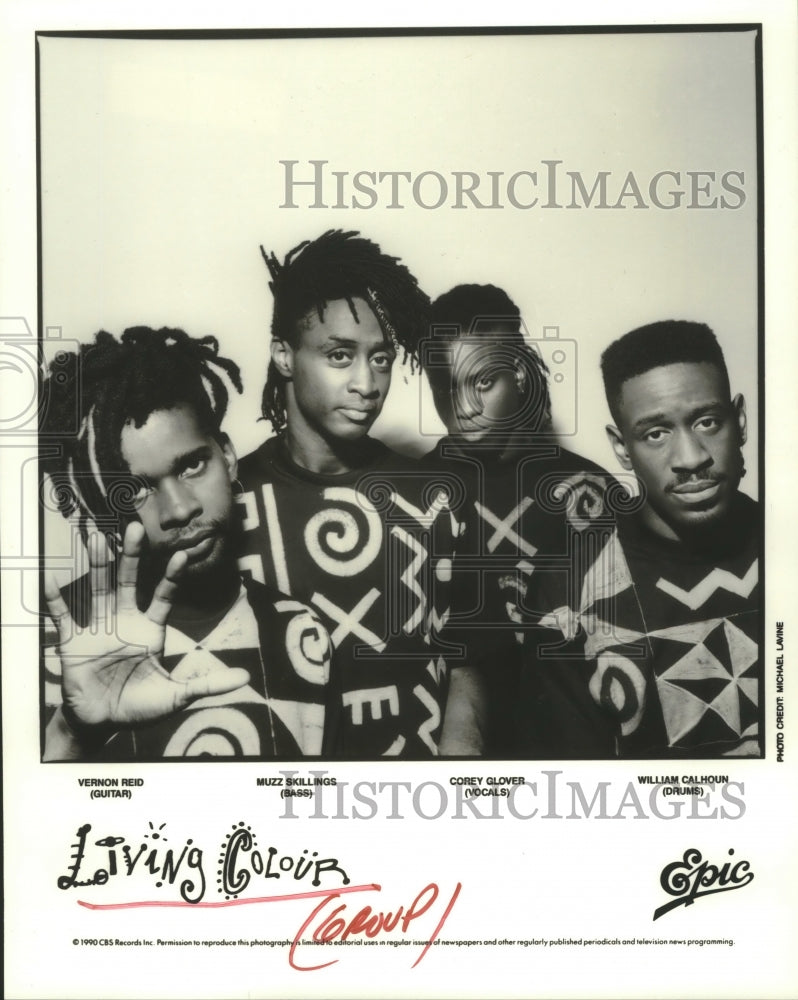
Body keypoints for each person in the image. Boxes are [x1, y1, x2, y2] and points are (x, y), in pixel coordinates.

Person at [41, 327, 332, 761]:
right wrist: (72, 732)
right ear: (102, 505)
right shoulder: (50, 643)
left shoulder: (303, 633)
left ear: (229, 458)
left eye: (193, 465)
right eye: (135, 490)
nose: (178, 509)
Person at [237, 230, 460, 758]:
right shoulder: (229, 499)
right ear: (284, 357)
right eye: (340, 356)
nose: (367, 383)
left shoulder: (434, 495)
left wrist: (458, 772)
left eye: (381, 359)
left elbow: (473, 656)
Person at [515, 319, 760, 758]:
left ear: (740, 421)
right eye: (656, 433)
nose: (691, 458)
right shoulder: (566, 590)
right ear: (622, 448)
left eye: (707, 422)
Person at [420, 284, 617, 755]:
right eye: (447, 387)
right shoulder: (414, 492)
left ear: (521, 375)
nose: (465, 408)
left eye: (484, 382)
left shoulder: (588, 491)